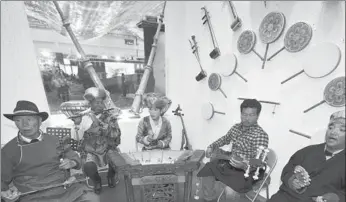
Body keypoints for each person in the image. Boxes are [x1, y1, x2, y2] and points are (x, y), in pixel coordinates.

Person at [1, 100, 100, 202]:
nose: (24, 124)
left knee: (91, 198)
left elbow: (75, 158)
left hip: (64, 189)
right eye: (18, 120)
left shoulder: (56, 140)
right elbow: (2, 180)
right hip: (33, 196)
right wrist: (4, 192)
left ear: (40, 121)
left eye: (29, 119)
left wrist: (72, 162)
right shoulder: (8, 150)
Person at [197, 99, 269, 201]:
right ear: (241, 114)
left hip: (248, 170)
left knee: (230, 191)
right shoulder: (236, 128)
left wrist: (245, 165)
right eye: (244, 114)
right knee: (206, 170)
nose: (247, 118)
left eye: (251, 115)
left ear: (257, 116)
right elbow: (225, 139)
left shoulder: (261, 135)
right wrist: (211, 146)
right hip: (231, 163)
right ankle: (210, 198)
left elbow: (260, 162)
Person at [267, 110, 345, 202]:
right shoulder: (308, 151)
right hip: (285, 197)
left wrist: (334, 197)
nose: (333, 132)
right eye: (331, 128)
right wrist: (292, 181)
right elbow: (287, 170)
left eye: (342, 130)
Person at [77, 87, 121, 194]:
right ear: (90, 103)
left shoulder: (111, 116)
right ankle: (97, 180)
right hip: (90, 149)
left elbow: (117, 136)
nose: (99, 105)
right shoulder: (83, 116)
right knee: (88, 165)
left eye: (101, 102)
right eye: (96, 102)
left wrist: (109, 129)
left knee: (116, 160)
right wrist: (79, 126)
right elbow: (77, 137)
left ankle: (111, 176)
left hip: (108, 147)